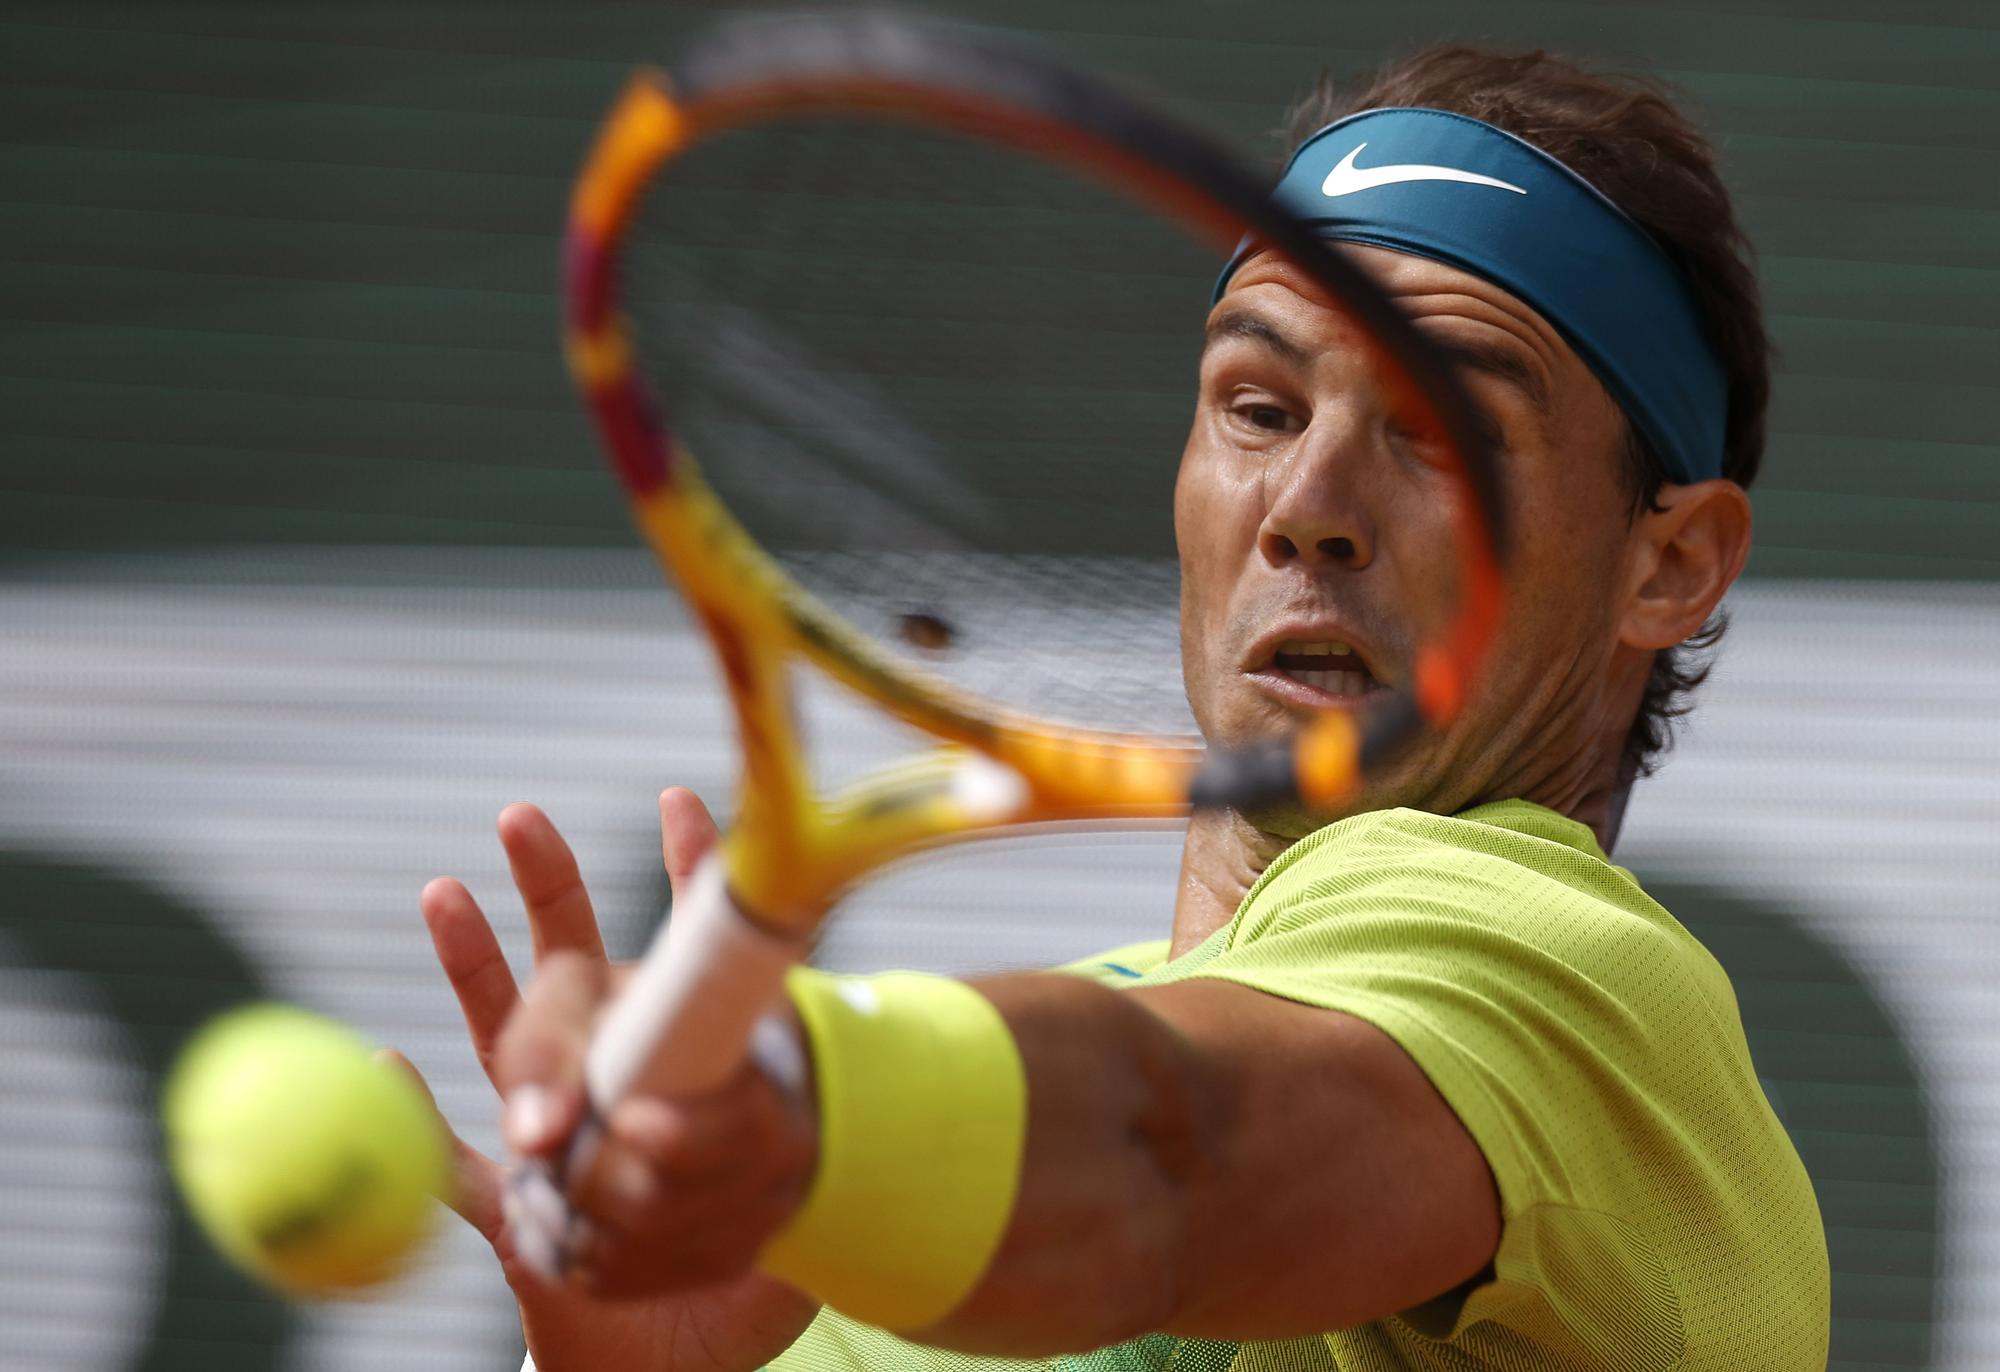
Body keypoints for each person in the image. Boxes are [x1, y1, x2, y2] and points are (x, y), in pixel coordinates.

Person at [392, 44, 1830, 1371]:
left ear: (1668, 561)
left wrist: (789, 1126)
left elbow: (1169, 1152)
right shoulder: (904, 1149)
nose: (1307, 509)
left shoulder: (1580, 983)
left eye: (1439, 432)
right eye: (1257, 407)